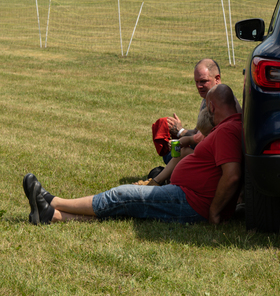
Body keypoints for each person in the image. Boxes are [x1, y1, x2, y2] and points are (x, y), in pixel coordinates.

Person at [23, 84, 243, 225]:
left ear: (212, 107)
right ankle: (52, 215)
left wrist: (214, 211)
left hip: (192, 202)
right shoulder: (228, 127)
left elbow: (232, 175)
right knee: (127, 206)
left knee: (123, 196)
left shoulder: (226, 131)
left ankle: (53, 201)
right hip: (187, 195)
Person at [136, 106, 215, 186]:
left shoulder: (216, 138)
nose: (204, 136)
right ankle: (158, 181)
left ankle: (161, 180)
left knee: (184, 152)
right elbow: (190, 139)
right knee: (183, 151)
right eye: (202, 133)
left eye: (206, 134)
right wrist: (179, 142)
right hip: (199, 162)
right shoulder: (204, 135)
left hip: (210, 167)